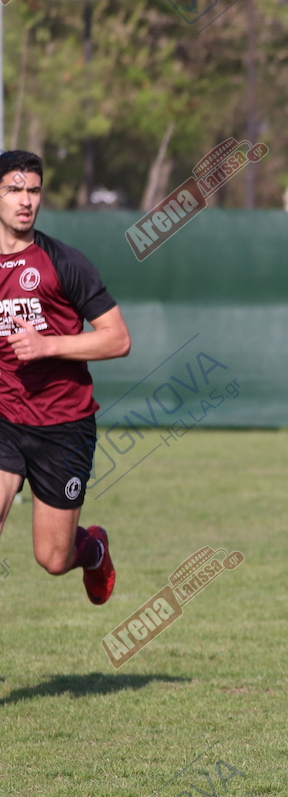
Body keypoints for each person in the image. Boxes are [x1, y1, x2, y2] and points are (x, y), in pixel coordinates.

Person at [0, 150, 131, 605]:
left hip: (63, 425)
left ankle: (93, 549)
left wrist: (48, 345)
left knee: (53, 558)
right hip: (5, 417)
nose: (26, 200)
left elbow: (118, 339)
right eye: (14, 190)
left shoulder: (64, 262)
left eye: (34, 190)